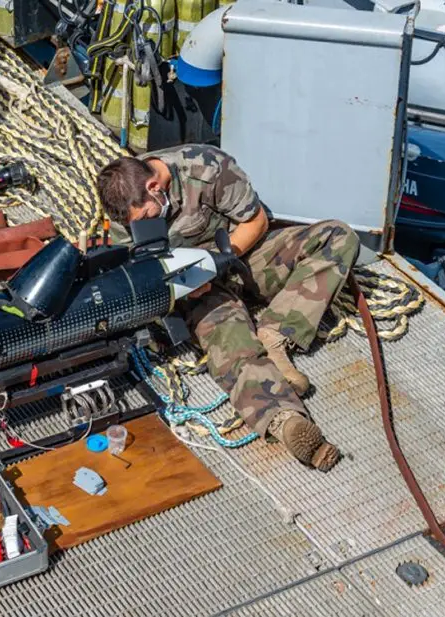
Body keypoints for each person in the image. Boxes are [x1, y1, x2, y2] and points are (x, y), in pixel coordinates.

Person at [96, 144, 360, 471]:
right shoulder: (126, 213)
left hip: (238, 255)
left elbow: (255, 221)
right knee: (230, 343)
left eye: (148, 217)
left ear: (155, 189)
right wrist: (184, 287)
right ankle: (285, 421)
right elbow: (135, 273)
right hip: (191, 290)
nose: (145, 225)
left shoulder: (205, 168)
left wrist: (215, 263)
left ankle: (278, 331)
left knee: (337, 236)